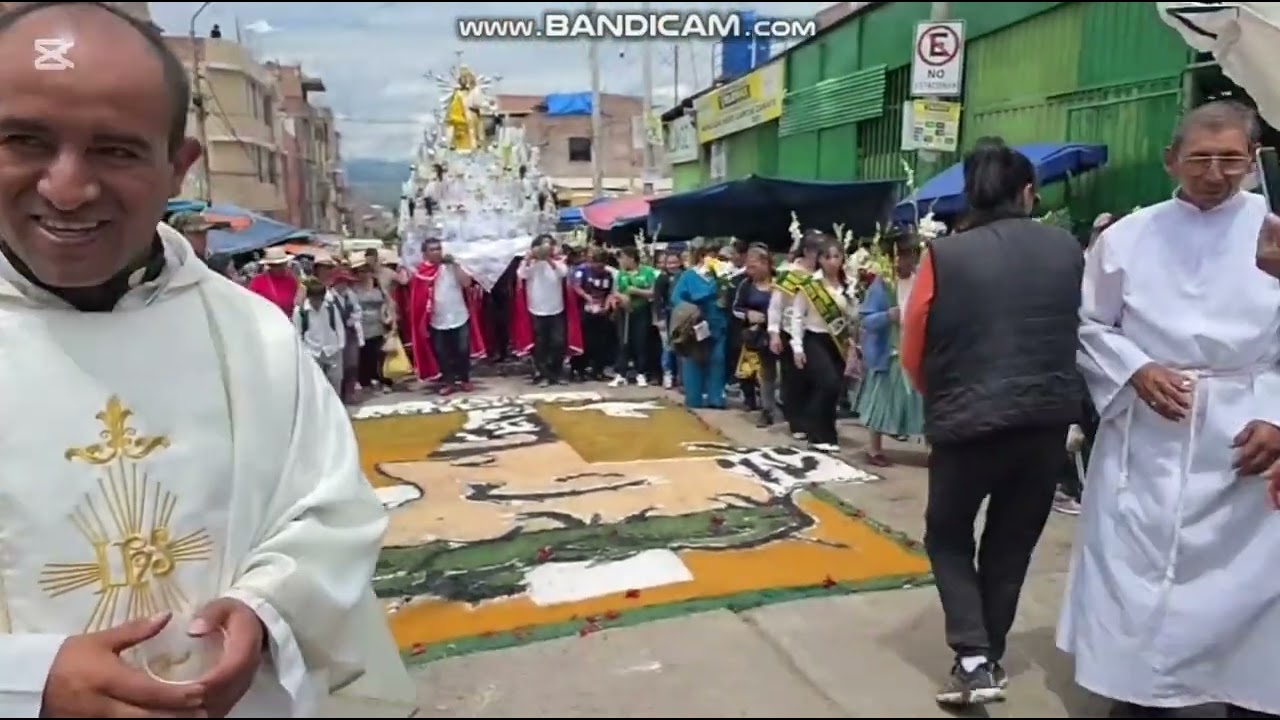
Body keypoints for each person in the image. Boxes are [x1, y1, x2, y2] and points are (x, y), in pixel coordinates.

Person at [0, 2, 411, 717]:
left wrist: (268, 611)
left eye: (116, 150)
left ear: (178, 168)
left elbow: (330, 513)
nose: (66, 188)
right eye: (24, 141)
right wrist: (26, 680)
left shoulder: (254, 337)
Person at [1058, 101, 1280, 718]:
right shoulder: (1126, 236)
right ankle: (1137, 695)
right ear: (1170, 160)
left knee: (1252, 590)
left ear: (1255, 161)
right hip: (1151, 435)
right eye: (1200, 159)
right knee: (1135, 580)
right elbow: (1086, 324)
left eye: (1231, 159)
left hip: (1249, 430)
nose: (1215, 174)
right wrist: (1135, 368)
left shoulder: (1275, 229)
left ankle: (1244, 694)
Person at [898, 137, 1084, 706]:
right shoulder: (1069, 249)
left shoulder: (945, 256)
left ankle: (973, 657)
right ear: (1028, 193)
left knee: (948, 536)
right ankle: (988, 656)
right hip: (1044, 422)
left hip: (966, 425)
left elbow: (913, 342)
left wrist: (940, 397)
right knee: (1010, 544)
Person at [856, 229, 926, 465]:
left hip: (915, 348)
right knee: (881, 402)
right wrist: (887, 316)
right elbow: (865, 319)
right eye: (903, 255)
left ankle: (932, 448)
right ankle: (874, 448)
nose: (907, 261)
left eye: (912, 255)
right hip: (889, 352)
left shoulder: (921, 281)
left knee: (922, 401)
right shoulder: (883, 283)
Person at [790, 234, 855, 452]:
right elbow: (797, 316)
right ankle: (814, 431)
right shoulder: (810, 285)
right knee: (827, 382)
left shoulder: (849, 285)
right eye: (827, 257)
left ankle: (828, 433)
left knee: (835, 388)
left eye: (837, 257)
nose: (832, 261)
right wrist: (797, 346)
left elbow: (853, 316)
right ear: (819, 260)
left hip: (838, 341)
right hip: (814, 337)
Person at [407, 237, 486, 394]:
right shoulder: (422, 272)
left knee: (463, 350)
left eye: (438, 248)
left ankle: (464, 379)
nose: (437, 252)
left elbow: (466, 283)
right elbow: (418, 300)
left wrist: (455, 264)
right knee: (442, 353)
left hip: (459, 315)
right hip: (437, 320)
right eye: (432, 249)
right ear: (425, 254)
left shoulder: (453, 266)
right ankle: (448, 382)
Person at [769, 232, 822, 439]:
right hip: (790, 330)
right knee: (794, 379)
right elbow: (776, 306)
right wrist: (774, 333)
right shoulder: (790, 273)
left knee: (815, 379)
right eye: (818, 252)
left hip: (815, 331)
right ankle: (797, 422)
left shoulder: (822, 275)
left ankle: (814, 420)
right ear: (808, 251)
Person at [511, 234, 583, 386]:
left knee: (558, 342)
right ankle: (543, 375)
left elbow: (563, 273)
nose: (546, 248)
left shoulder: (559, 262)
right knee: (540, 344)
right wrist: (529, 259)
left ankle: (555, 372)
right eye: (543, 245)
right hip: (536, 309)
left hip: (556, 308)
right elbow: (521, 275)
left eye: (549, 245)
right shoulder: (530, 263)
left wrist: (549, 259)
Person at [671, 245, 728, 409]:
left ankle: (715, 397)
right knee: (694, 360)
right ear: (702, 257)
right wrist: (692, 307)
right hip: (695, 325)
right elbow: (676, 298)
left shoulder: (721, 276)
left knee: (718, 360)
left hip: (717, 323)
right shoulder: (689, 276)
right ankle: (694, 398)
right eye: (710, 256)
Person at [733, 245, 779, 427]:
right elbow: (736, 308)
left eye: (753, 266)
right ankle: (767, 410)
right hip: (759, 335)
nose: (749, 271)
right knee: (767, 373)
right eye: (748, 267)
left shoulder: (781, 281)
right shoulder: (746, 285)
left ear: (765, 263)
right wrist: (747, 314)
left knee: (788, 374)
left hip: (783, 333)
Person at [612, 246, 659, 387]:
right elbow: (616, 291)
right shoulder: (621, 273)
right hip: (625, 312)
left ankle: (641, 372)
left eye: (623, 257)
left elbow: (652, 292)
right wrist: (622, 297)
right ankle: (621, 373)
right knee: (623, 342)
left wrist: (635, 291)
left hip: (642, 311)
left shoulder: (648, 272)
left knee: (641, 341)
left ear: (631, 258)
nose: (621, 261)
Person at [573, 248, 618, 381]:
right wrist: (587, 297)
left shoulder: (608, 275)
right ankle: (579, 369)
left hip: (602, 311)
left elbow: (610, 292)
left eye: (602, 266)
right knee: (585, 340)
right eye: (597, 265)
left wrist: (607, 305)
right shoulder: (582, 271)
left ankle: (598, 369)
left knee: (601, 342)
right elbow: (576, 286)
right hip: (585, 310)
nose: (599, 269)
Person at [295, 277, 346, 393]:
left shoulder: (330, 308)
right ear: (309, 297)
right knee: (316, 385)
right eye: (315, 299)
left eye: (320, 299)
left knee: (335, 381)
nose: (318, 303)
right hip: (312, 352)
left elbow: (339, 327)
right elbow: (297, 333)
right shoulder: (301, 312)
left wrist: (340, 346)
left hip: (332, 349)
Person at [247, 246, 299, 317]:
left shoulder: (292, 279)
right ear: (269, 265)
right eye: (276, 265)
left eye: (283, 264)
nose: (281, 267)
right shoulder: (258, 281)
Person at [165, 211, 229, 259]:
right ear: (182, 235)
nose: (204, 239)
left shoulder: (208, 259)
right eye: (199, 233)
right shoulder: (174, 262)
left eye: (205, 232)